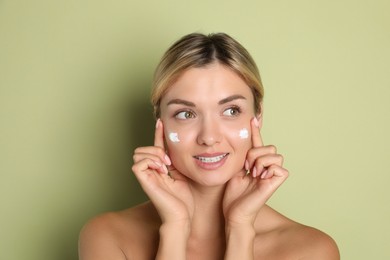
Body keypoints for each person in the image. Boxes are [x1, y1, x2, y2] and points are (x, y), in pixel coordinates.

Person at [78, 32, 340, 259]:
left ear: (257, 116)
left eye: (230, 110)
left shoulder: (311, 250)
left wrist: (240, 228)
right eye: (186, 114)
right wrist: (175, 228)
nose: (209, 137)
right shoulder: (108, 236)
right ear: (161, 123)